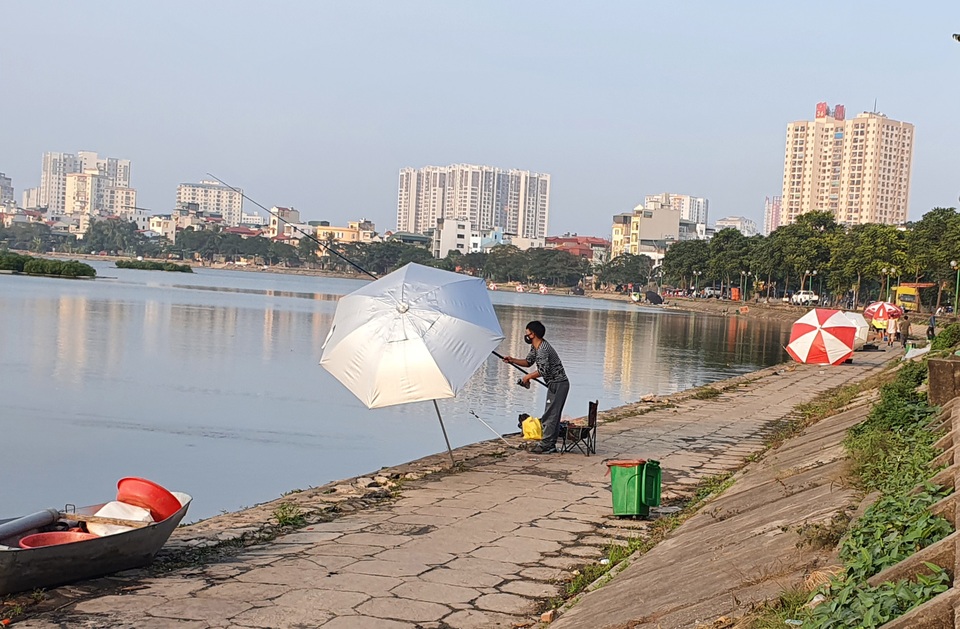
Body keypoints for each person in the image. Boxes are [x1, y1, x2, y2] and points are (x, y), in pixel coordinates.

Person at [502, 321, 570, 454]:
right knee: (552, 414)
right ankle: (550, 443)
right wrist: (512, 360)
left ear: (533, 334)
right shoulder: (535, 347)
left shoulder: (543, 349)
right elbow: (528, 362)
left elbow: (543, 371)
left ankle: (547, 445)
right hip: (553, 384)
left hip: (559, 384)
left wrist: (527, 378)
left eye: (527, 333)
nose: (526, 335)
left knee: (551, 415)